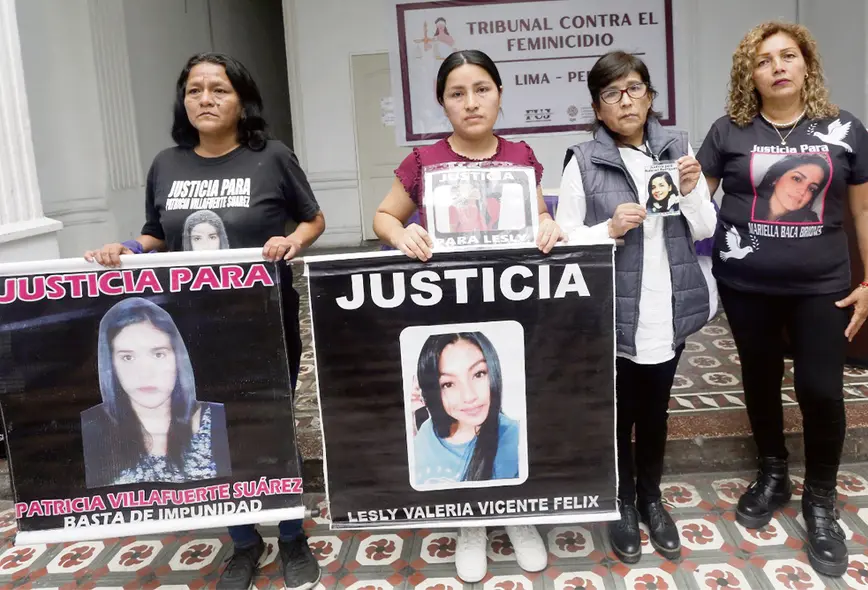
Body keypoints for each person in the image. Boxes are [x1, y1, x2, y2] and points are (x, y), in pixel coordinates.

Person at [83, 52, 326, 590]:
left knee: (267, 424)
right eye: (195, 90)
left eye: (219, 89)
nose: (206, 99)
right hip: (189, 332)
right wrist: (123, 248)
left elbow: (313, 218)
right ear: (183, 100)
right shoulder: (166, 164)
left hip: (264, 326)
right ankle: (243, 541)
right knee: (208, 429)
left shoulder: (272, 157)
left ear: (242, 100)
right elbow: (154, 233)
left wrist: (293, 241)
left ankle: (291, 533)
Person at [696, 22, 868, 578]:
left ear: (806, 65)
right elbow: (695, 206)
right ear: (748, 75)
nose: (777, 66)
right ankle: (773, 471)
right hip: (745, 285)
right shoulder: (729, 130)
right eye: (763, 60)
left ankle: (820, 498)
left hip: (822, 287)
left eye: (787, 56)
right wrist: (675, 183)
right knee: (758, 377)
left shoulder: (843, 128)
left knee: (820, 389)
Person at [372, 49, 556, 583]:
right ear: (442, 103)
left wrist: (548, 226)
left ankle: (516, 512)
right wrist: (401, 232)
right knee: (459, 416)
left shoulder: (522, 154)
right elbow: (384, 215)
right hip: (448, 310)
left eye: (482, 89)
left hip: (512, 306)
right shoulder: (423, 162)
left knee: (499, 413)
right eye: (457, 93)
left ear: (499, 94)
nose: (471, 102)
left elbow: (541, 216)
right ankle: (469, 521)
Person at [556, 51, 717, 564]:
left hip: (667, 308)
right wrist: (607, 230)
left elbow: (706, 228)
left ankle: (652, 496)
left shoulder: (677, 148)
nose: (624, 101)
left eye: (633, 89)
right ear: (598, 108)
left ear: (649, 95)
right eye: (611, 93)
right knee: (619, 412)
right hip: (612, 314)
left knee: (655, 412)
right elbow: (563, 242)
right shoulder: (582, 160)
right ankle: (623, 502)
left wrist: (692, 192)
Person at [82, 297, 231, 488]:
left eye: (158, 354)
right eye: (127, 357)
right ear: (110, 365)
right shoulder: (89, 427)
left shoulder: (220, 419)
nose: (145, 373)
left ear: (178, 357)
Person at [412, 332, 519, 486]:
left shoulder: (516, 441)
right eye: (448, 384)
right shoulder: (427, 431)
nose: (469, 396)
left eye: (479, 374)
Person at [753, 154, 831, 223]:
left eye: (811, 189)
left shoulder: (810, 222)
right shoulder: (747, 202)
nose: (803, 191)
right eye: (797, 179)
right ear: (776, 178)